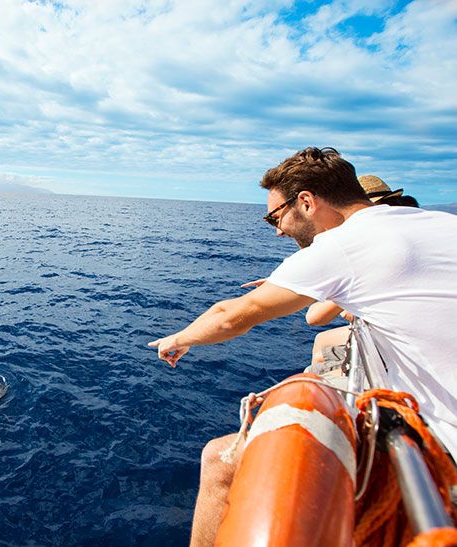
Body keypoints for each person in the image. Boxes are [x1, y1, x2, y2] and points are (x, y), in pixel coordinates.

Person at [148, 147, 457, 546]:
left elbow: (232, 316)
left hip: (446, 443)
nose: (277, 230)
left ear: (307, 201)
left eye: (275, 217)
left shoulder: (344, 244)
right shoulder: (438, 222)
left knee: (219, 462)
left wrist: (179, 338)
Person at [305, 175, 420, 374]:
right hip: (407, 325)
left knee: (312, 373)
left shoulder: (379, 248)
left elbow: (316, 317)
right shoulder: (412, 233)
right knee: (321, 342)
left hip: (406, 338)